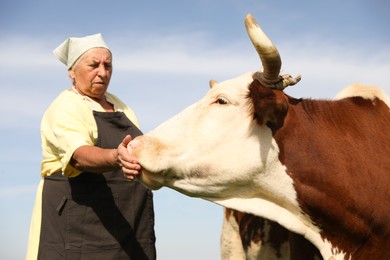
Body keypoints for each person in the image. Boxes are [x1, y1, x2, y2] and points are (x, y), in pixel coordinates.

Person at [26, 33, 156, 260]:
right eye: (94, 65)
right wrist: (116, 156)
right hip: (80, 233)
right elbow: (79, 156)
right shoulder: (66, 106)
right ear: (72, 71)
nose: (103, 73)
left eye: (108, 65)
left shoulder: (122, 107)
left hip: (129, 228)